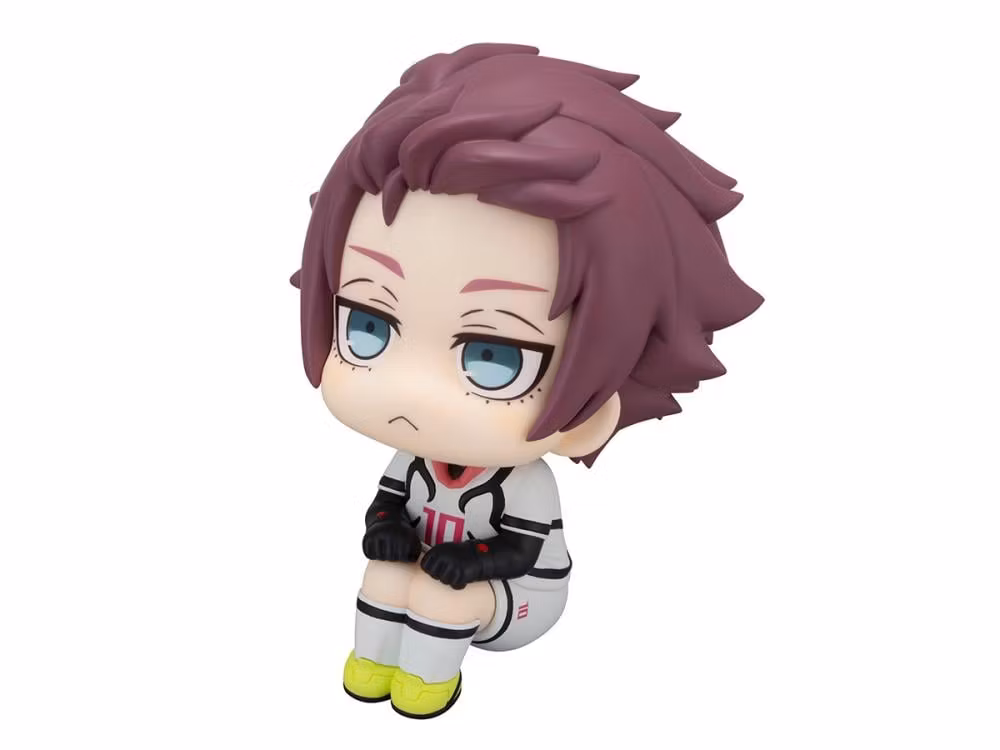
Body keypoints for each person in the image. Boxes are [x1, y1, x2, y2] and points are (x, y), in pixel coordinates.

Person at [291, 43, 762, 719]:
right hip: (434, 568)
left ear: (593, 409)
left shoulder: (524, 484)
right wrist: (387, 529)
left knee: (439, 597)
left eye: (494, 357)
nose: (409, 393)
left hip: (518, 597)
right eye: (369, 326)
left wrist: (469, 565)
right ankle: (372, 666)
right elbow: (388, 505)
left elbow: (522, 548)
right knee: (384, 577)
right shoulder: (413, 460)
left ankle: (427, 685)